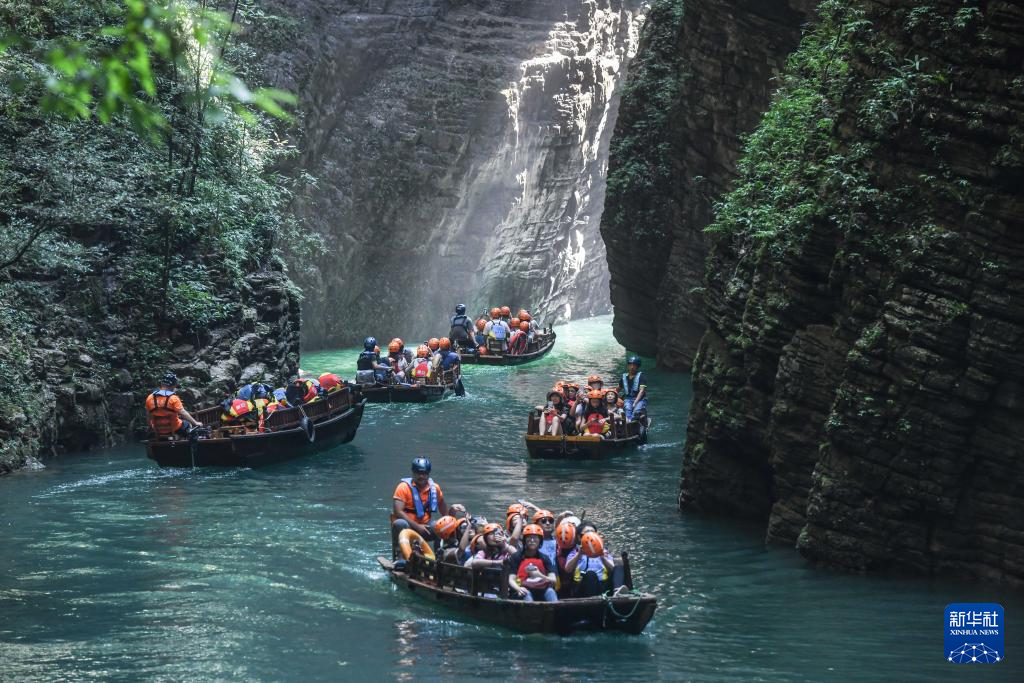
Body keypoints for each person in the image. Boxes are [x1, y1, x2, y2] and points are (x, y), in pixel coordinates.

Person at [391, 457, 447, 555]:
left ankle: (439, 556)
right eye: (418, 473)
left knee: (440, 526)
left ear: (428, 474)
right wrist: (417, 526)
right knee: (399, 523)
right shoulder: (403, 487)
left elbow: (441, 504)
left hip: (425, 526)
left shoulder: (435, 488)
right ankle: (400, 557)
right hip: (407, 527)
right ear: (413, 473)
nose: (421, 476)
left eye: (424, 473)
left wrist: (448, 520)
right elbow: (398, 511)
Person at [565, 524, 618, 598]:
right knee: (590, 574)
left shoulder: (603, 551)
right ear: (579, 537)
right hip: (583, 587)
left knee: (619, 565)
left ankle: (618, 591)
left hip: (602, 586)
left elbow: (613, 569)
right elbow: (568, 569)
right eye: (587, 532)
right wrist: (579, 555)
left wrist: (602, 558)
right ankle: (592, 602)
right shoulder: (575, 552)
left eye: (593, 533)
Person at [508, 524, 558, 602]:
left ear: (540, 540)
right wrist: (518, 589)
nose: (532, 540)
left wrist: (539, 575)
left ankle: (554, 612)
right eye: (529, 537)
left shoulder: (544, 558)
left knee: (551, 591)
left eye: (535, 538)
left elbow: (553, 580)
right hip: (523, 589)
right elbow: (511, 579)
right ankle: (530, 613)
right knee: (526, 594)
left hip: (541, 589)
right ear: (524, 540)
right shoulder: (516, 557)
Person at [145, 372, 202, 437]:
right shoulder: (173, 398)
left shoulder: (150, 398)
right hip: (174, 428)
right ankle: (185, 442)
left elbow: (148, 416)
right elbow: (183, 413)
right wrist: (195, 423)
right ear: (174, 385)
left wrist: (150, 426)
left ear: (161, 383)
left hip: (157, 430)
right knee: (187, 424)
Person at [619, 356, 648, 421]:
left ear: (637, 366)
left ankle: (638, 421)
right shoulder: (624, 377)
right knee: (627, 408)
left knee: (636, 411)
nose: (632, 367)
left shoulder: (641, 376)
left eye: (634, 365)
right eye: (630, 365)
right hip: (628, 399)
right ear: (628, 366)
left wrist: (635, 402)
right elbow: (618, 388)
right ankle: (629, 422)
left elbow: (642, 391)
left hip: (640, 399)